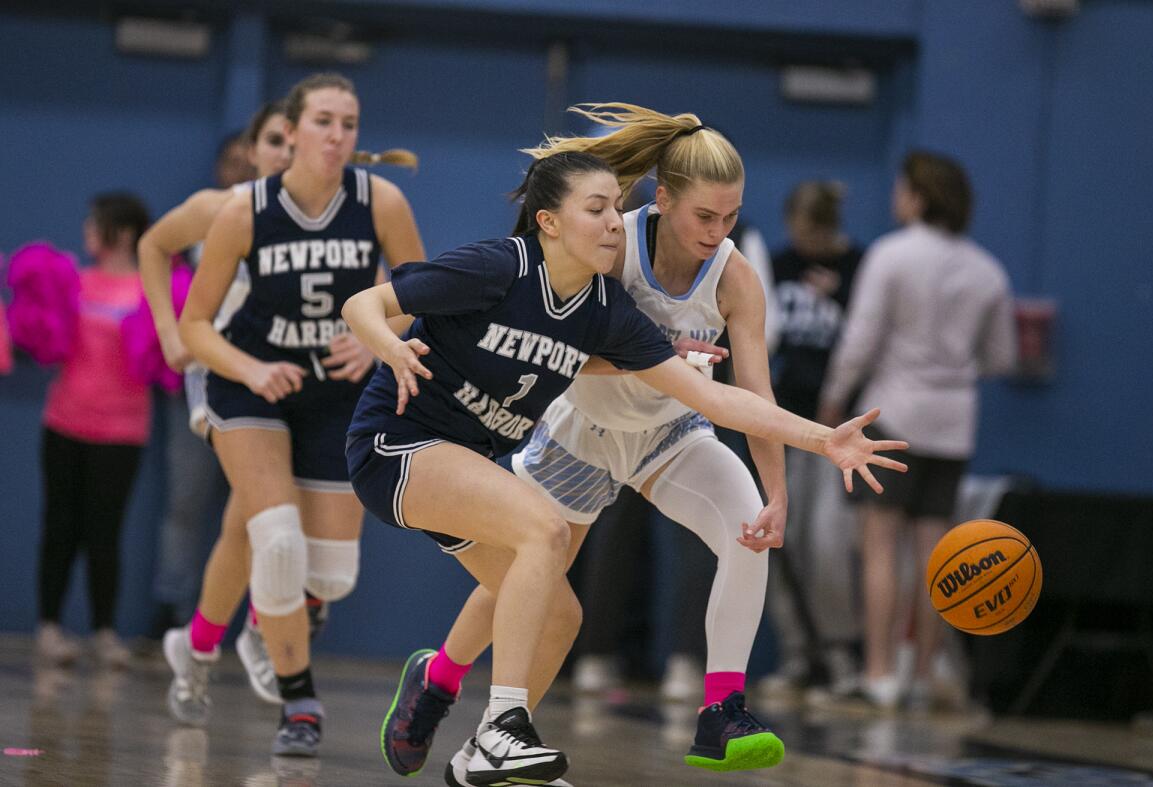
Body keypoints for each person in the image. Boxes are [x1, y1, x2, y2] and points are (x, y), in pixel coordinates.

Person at [342, 145, 906, 786]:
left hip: (520, 452)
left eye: (616, 207)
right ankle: (501, 725)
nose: (615, 219)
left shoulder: (605, 312)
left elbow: (720, 397)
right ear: (551, 220)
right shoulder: (501, 265)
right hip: (408, 441)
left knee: (560, 613)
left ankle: (482, 754)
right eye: (598, 208)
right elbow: (364, 303)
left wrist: (826, 439)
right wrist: (390, 348)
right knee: (543, 534)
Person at [171, 72, 425, 759]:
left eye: (349, 122)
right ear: (293, 130)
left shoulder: (382, 200)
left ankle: (264, 619)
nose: (337, 134)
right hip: (252, 383)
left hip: (335, 389)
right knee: (276, 539)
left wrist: (375, 335)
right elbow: (195, 324)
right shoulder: (243, 209)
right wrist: (249, 369)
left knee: (332, 575)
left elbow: (421, 292)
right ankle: (299, 701)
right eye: (323, 121)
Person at [818, 150, 1016, 710]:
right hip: (954, 427)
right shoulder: (987, 270)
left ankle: (880, 672)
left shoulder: (891, 255)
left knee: (879, 546)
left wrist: (834, 401)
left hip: (893, 416)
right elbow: (1001, 357)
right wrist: (954, 372)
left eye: (902, 187)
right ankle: (923, 676)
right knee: (936, 556)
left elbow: (860, 340)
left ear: (918, 196)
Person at [139, 101, 297, 703]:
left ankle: (201, 641)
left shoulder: (331, 219)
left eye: (294, 142)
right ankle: (251, 625)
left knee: (254, 517)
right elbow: (154, 246)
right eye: (273, 143)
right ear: (251, 153)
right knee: (257, 509)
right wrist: (169, 329)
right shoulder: (218, 208)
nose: (285, 154)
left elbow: (382, 281)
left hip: (288, 378)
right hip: (223, 374)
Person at [33, 193, 151, 668]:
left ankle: (104, 633)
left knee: (106, 533)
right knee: (59, 527)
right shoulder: (73, 283)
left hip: (123, 432)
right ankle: (49, 628)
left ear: (121, 234)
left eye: (95, 223)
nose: (86, 230)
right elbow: (46, 338)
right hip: (64, 423)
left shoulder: (153, 290)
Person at [762, 181, 864, 695]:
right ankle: (798, 652)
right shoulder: (778, 266)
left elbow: (867, 340)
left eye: (811, 235)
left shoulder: (858, 269)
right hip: (786, 421)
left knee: (827, 543)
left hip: (838, 429)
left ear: (829, 229)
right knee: (783, 540)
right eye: (796, 233)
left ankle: (841, 651)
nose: (803, 243)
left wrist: (841, 296)